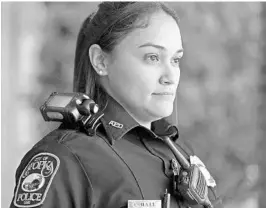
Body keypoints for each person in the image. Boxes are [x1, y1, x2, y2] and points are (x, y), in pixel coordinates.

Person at [10, 2, 223, 208]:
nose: (170, 76)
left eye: (175, 60)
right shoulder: (65, 158)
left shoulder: (180, 150)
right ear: (101, 61)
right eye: (152, 57)